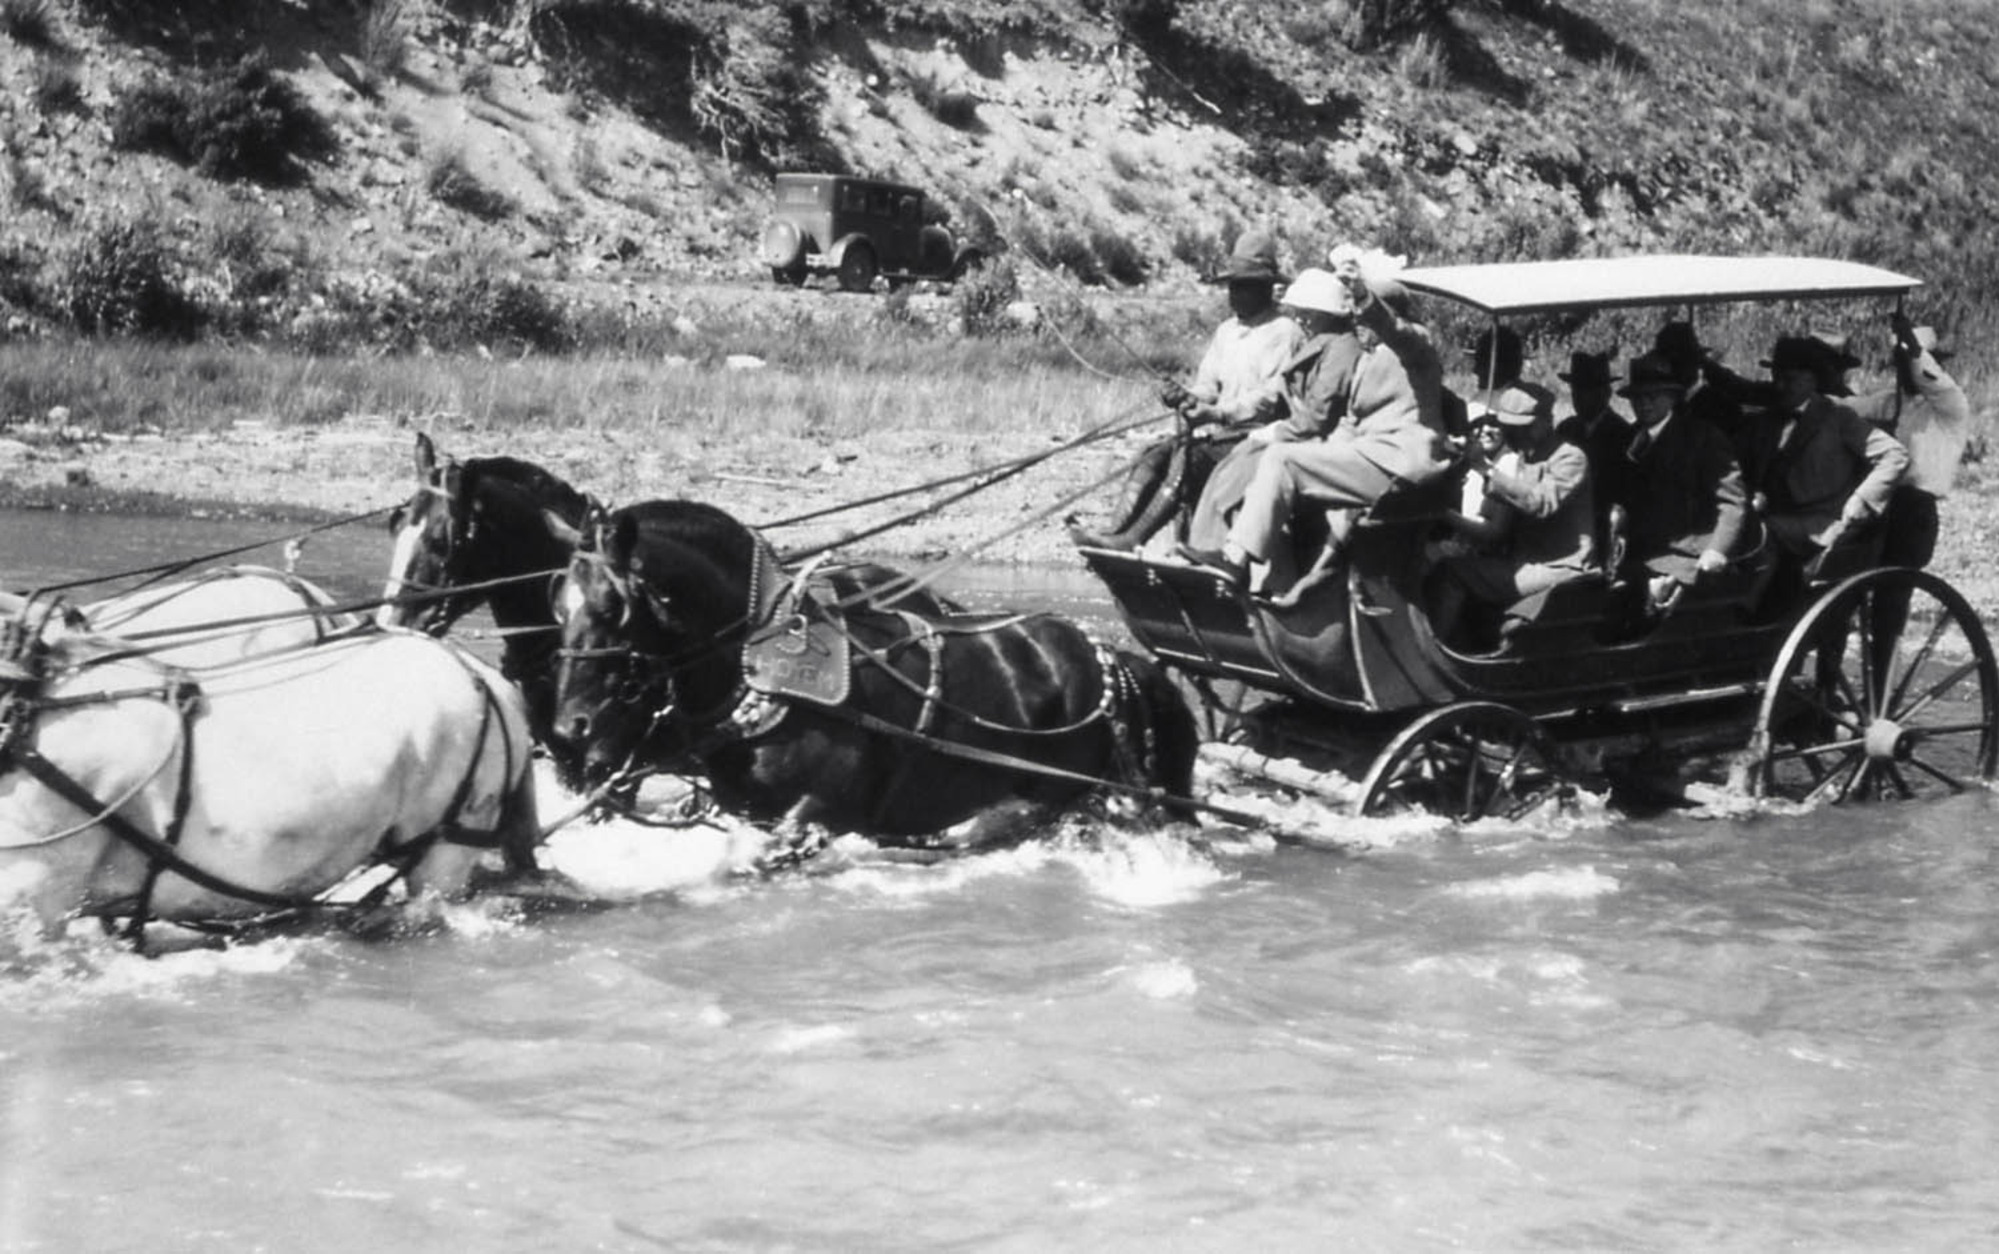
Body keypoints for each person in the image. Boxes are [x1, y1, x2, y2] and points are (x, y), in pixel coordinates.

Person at [1178, 250, 1451, 589]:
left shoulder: (1417, 348)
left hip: (1403, 463)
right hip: (1370, 455)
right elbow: (1351, 422)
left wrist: (1365, 296)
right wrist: (1310, 444)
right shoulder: (1366, 359)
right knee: (1273, 462)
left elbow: (1394, 330)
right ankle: (1275, 584)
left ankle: (1235, 560)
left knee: (1282, 459)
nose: (1359, 322)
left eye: (1365, 314)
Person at [1067, 229, 1304, 550]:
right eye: (1232, 286)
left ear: (1264, 288)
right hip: (1220, 434)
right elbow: (1207, 385)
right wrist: (1185, 397)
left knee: (1187, 459)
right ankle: (1114, 532)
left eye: (1243, 286)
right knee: (1152, 456)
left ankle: (1134, 539)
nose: (1233, 294)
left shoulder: (1283, 332)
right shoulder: (1226, 332)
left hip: (1256, 438)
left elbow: (1269, 399)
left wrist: (1217, 412)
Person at [1182, 268, 1365, 549]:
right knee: (1226, 462)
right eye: (1300, 311)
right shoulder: (1322, 343)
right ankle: (1205, 546)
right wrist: (1191, 398)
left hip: (1318, 441)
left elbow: (1316, 415)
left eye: (1309, 312)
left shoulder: (1339, 349)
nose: (1302, 318)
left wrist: (1275, 430)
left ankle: (1225, 552)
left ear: (1328, 314)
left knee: (1238, 464)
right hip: (1296, 433)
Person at [1429, 385, 1596, 649]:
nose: (1515, 433)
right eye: (1509, 426)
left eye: (1524, 426)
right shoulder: (1525, 455)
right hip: (1526, 559)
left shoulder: (1570, 457)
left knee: (1451, 573)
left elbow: (1540, 503)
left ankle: (1436, 652)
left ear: (1547, 422)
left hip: (1561, 566)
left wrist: (1486, 469)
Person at [1739, 335, 1909, 562]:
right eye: (1776, 377)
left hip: (1823, 523)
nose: (1780, 386)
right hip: (1771, 514)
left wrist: (1862, 500)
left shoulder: (1838, 416)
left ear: (1812, 381)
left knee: (1755, 534)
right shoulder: (1764, 420)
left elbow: (1895, 455)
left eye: (1789, 379)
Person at [1614, 351, 1749, 610]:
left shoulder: (1703, 439)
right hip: (1642, 555)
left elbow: (1733, 502)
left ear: (1672, 397)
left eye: (1653, 396)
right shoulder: (1629, 439)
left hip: (1690, 556)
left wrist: (1717, 550)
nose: (1644, 404)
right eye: (1637, 398)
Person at [1552, 349, 1628, 511]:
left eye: (1588, 391)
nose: (1579, 397)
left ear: (1606, 393)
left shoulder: (1622, 434)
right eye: (1576, 390)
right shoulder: (1565, 429)